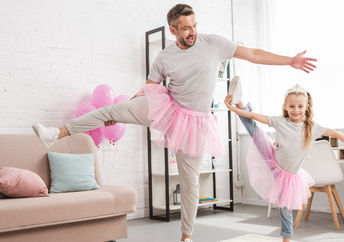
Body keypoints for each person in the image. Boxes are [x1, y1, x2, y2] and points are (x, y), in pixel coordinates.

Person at [32, 4, 318, 242]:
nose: (192, 31)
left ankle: (186, 236)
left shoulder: (213, 43)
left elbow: (253, 54)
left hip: (194, 123)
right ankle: (55, 133)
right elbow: (149, 87)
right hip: (166, 107)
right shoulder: (164, 57)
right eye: (186, 28)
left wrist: (289, 61)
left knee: (190, 182)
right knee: (111, 108)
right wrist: (125, 109)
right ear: (173, 30)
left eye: (194, 25)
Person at [224, 81, 344, 242]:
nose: (296, 110)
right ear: (286, 107)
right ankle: (240, 101)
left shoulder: (312, 127)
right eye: (292, 106)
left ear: (307, 107)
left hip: (289, 176)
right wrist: (233, 108)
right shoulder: (280, 121)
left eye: (300, 106)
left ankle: (286, 238)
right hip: (272, 159)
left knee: (285, 208)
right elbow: (254, 117)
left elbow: (335, 133)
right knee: (254, 131)